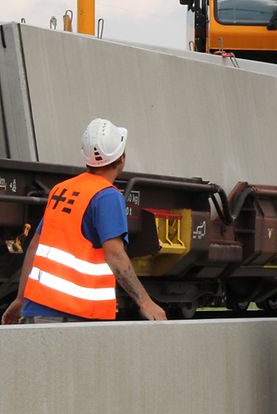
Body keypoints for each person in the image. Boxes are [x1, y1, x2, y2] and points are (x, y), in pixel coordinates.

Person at [1, 119, 167, 324]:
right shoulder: (107, 196)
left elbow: (35, 246)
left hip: (40, 307)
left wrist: (21, 299)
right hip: (77, 314)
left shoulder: (61, 190)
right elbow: (115, 255)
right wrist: (145, 302)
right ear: (121, 159)